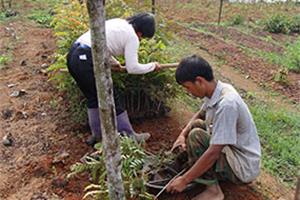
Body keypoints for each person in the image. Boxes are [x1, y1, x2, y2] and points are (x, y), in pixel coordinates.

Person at [166, 55, 261, 200]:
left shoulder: (227, 105)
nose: (188, 92)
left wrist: (184, 181)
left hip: (242, 166)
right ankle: (191, 167)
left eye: (187, 87)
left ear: (199, 81)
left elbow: (214, 152)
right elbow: (201, 114)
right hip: (231, 151)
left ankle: (213, 191)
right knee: (196, 126)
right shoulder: (217, 90)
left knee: (196, 136)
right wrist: (182, 135)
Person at [66, 13, 160, 146]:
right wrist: (152, 66)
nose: (141, 39)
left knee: (93, 97)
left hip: (73, 56)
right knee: (113, 96)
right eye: (143, 36)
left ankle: (97, 136)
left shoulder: (119, 23)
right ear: (140, 32)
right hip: (86, 59)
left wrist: (114, 63)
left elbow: (101, 44)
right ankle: (129, 135)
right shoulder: (132, 36)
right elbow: (132, 68)